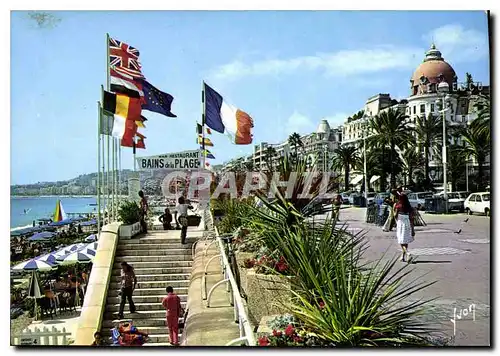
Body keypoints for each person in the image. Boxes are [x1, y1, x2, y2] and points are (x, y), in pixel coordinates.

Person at [394, 194, 415, 262]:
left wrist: (394, 210)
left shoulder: (398, 206)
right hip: (407, 224)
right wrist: (412, 229)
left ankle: (407, 253)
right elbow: (412, 219)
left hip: (401, 224)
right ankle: (402, 256)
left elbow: (395, 215)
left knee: (401, 241)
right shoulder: (409, 207)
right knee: (405, 241)